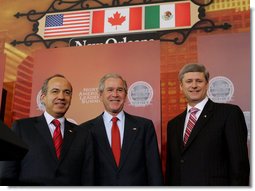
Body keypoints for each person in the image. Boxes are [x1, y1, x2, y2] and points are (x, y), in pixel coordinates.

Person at [0, 74, 94, 185]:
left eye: (67, 92)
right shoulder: (22, 128)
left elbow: (88, 179)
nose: (61, 97)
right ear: (43, 97)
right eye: (55, 91)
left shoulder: (83, 134)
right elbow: (7, 174)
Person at [165, 63, 250, 186]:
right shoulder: (173, 124)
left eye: (199, 81)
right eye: (189, 81)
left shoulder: (229, 113)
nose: (194, 85)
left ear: (207, 85)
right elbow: (172, 168)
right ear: (181, 87)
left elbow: (239, 164)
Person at [80, 73, 163, 186]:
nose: (115, 94)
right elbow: (84, 174)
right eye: (110, 90)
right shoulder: (85, 130)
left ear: (125, 94)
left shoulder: (144, 126)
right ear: (100, 95)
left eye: (120, 90)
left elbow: (154, 171)